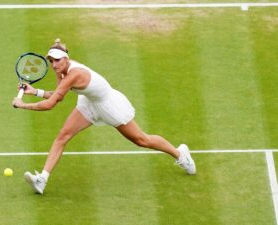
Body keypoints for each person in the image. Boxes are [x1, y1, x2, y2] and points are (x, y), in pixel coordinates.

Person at [12, 39, 196, 194]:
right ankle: (42, 179)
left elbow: (51, 103)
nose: (54, 65)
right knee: (63, 136)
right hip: (88, 103)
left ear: (66, 59)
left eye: (57, 61)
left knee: (142, 140)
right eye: (51, 61)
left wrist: (23, 105)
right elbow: (57, 96)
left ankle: (181, 154)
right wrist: (35, 91)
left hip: (109, 105)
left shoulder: (74, 75)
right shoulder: (62, 71)